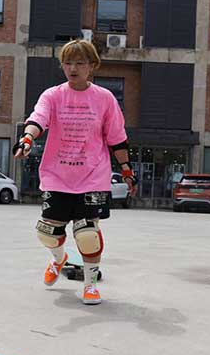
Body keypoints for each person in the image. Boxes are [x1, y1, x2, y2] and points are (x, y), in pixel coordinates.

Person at [14, 39, 137, 305]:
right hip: (58, 176)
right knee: (47, 233)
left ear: (92, 66)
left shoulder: (104, 99)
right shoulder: (53, 95)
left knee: (87, 235)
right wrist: (27, 138)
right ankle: (59, 260)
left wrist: (126, 170)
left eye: (80, 63)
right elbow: (38, 118)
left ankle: (90, 284)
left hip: (92, 177)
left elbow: (117, 138)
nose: (73, 68)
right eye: (68, 63)